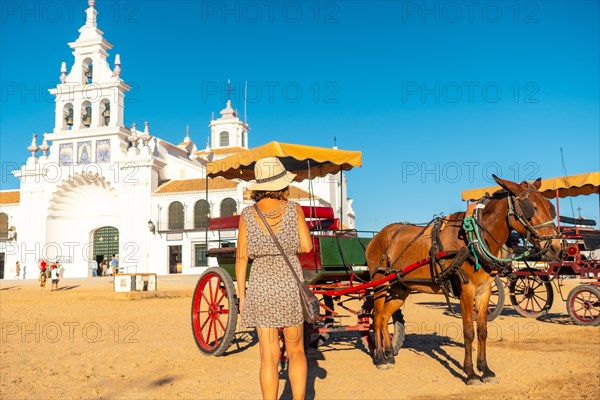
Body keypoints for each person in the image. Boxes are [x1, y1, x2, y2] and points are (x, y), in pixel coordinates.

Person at [235, 157, 313, 400]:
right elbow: (307, 246)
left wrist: (242, 295)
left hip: (261, 284)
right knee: (296, 350)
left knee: (268, 355)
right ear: (282, 183)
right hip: (289, 284)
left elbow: (241, 258)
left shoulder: (247, 214)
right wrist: (287, 248)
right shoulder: (294, 209)